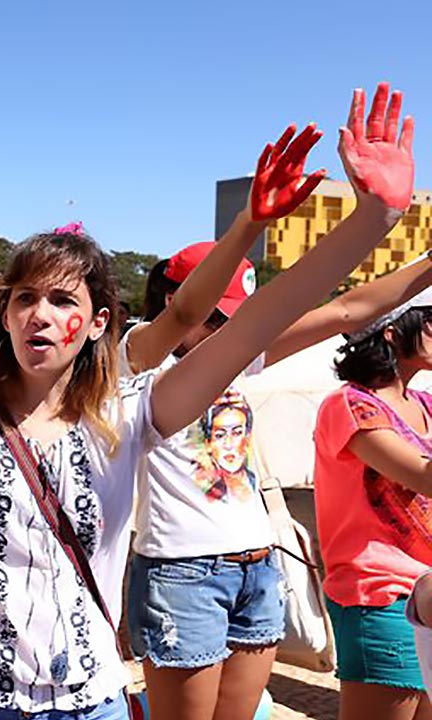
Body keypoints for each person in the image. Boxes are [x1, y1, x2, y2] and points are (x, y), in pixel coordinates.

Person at [0, 82, 414, 719]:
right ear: (2, 312)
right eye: (25, 298)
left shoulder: (133, 403)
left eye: (63, 301)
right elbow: (191, 312)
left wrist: (378, 221)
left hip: (114, 677)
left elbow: (285, 314)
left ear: (96, 323)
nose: (40, 315)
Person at [122, 113, 432, 720]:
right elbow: (184, 314)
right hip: (181, 571)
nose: (233, 326)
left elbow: (349, 309)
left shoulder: (241, 358)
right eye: (222, 312)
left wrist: (422, 256)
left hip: (256, 565)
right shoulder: (138, 363)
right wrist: (249, 226)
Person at [315, 290, 432, 718]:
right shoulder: (350, 404)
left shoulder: (424, 404)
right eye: (429, 320)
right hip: (382, 598)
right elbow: (424, 476)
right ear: (390, 332)